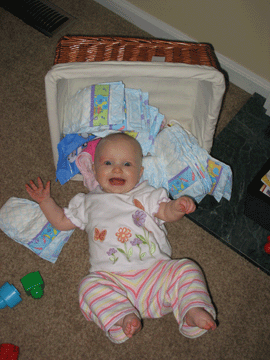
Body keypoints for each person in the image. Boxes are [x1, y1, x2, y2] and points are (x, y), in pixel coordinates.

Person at [26, 133, 217, 344]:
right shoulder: (87, 202)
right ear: (94, 170)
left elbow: (166, 213)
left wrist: (177, 207)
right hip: (112, 281)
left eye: (127, 164)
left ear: (140, 172)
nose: (117, 169)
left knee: (186, 269)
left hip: (156, 274)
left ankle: (190, 309)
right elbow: (62, 221)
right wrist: (45, 202)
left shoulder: (147, 194)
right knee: (88, 286)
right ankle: (121, 316)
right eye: (108, 163)